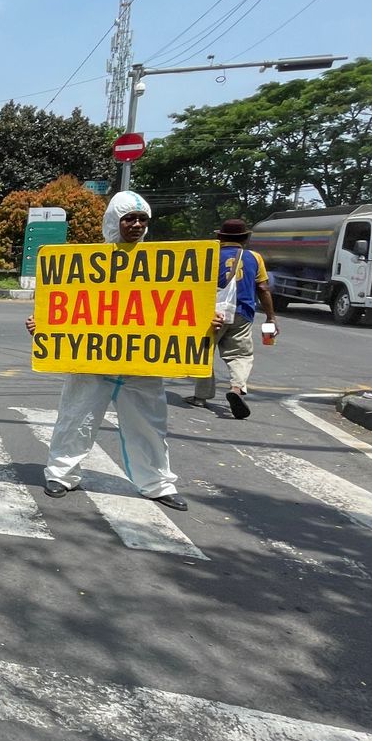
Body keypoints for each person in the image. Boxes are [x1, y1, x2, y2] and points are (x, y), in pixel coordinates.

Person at [24, 191, 194, 511]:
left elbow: (183, 306)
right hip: (91, 359)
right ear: (113, 222)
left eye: (142, 219)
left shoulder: (164, 264)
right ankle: (61, 474)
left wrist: (205, 322)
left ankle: (158, 484)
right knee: (76, 417)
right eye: (128, 218)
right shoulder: (85, 264)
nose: (136, 225)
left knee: (149, 423)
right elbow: (66, 305)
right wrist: (43, 324)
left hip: (142, 359)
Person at [185, 218, 277, 420]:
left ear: (219, 237)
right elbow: (263, 288)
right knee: (240, 355)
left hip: (212, 314)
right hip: (242, 312)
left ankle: (200, 397)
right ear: (245, 238)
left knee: (204, 353)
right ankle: (236, 389)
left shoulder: (209, 255)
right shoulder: (255, 257)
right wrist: (270, 317)